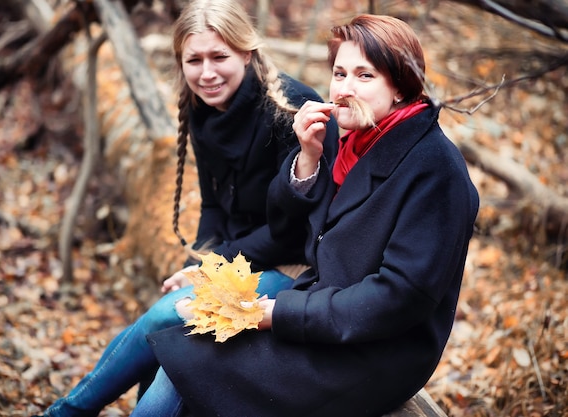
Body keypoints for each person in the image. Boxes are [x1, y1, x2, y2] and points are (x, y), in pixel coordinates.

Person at [137, 13, 480, 417]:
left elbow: (398, 299)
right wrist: (307, 157)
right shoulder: (353, 143)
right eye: (339, 73)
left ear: (402, 87)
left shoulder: (436, 170)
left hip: (376, 353)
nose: (344, 89)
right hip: (320, 311)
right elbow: (291, 231)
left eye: (364, 76)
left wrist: (279, 312)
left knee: (187, 367)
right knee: (179, 350)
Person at [33, 1, 338, 416]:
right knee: (168, 344)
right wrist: (198, 259)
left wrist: (213, 264)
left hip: (295, 272)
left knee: (166, 317)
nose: (207, 73)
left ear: (246, 53)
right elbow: (212, 205)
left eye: (219, 57)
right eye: (194, 60)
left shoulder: (291, 110)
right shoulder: (201, 108)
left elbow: (290, 231)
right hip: (238, 261)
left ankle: (66, 411)